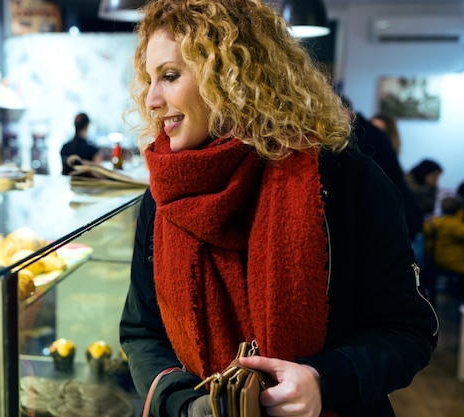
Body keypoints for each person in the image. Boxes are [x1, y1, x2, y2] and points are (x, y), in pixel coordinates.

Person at [119, 1, 438, 417]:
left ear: (231, 77)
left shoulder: (345, 180)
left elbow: (408, 330)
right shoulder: (163, 197)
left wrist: (325, 380)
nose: (152, 99)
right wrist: (185, 404)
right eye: (149, 79)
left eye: (170, 76)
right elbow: (142, 331)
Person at [340, 96, 423, 240]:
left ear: (348, 112)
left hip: (392, 218)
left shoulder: (365, 137)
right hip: (393, 215)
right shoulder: (366, 133)